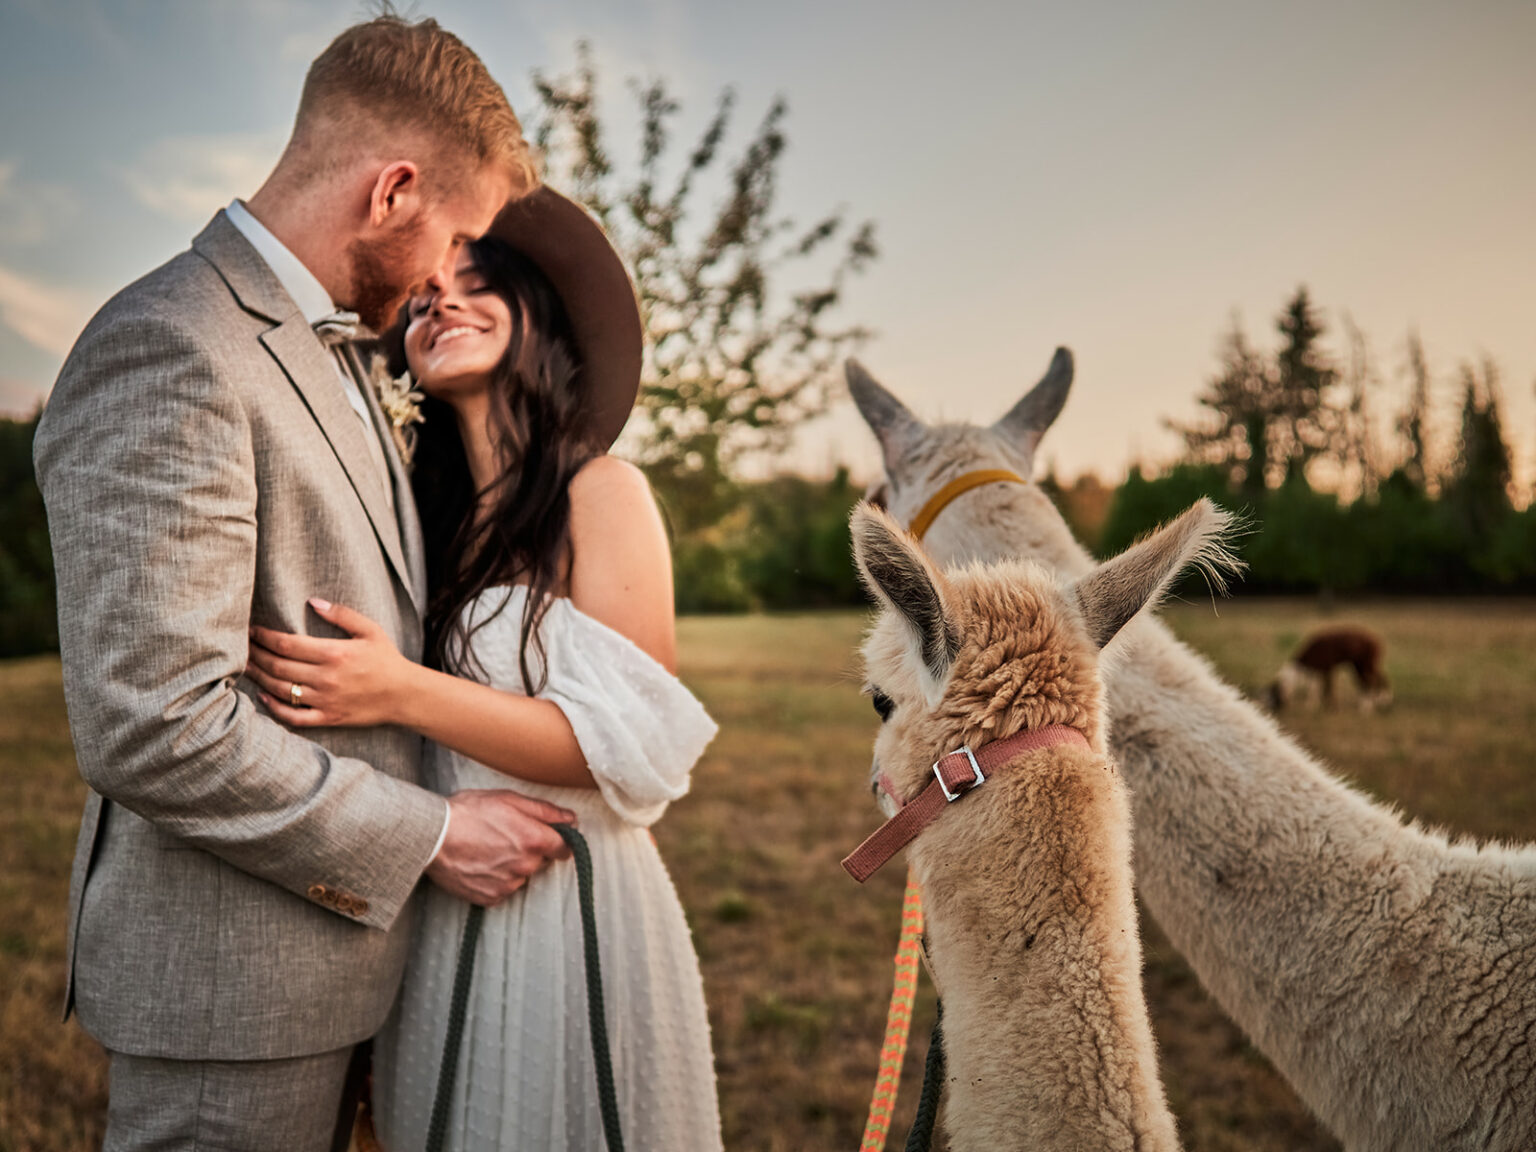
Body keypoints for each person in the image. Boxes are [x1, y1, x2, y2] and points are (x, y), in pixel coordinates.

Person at [33, 17, 579, 1151]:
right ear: (393, 192)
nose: (444, 279)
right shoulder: (174, 345)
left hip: (337, 981)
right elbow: (154, 726)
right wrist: (431, 835)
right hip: (229, 1002)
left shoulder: (330, 352)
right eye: (455, 237)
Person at [245, 187, 725, 1150]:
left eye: (475, 285)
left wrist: (397, 687)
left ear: (533, 315)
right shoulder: (425, 531)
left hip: (571, 905)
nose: (440, 302)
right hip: (443, 900)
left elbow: (625, 746)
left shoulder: (604, 492)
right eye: (421, 298)